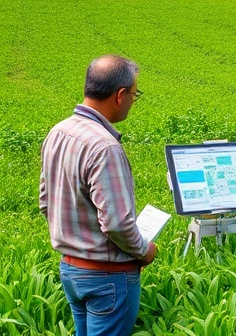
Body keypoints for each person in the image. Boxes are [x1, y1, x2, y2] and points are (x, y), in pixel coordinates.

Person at [39, 54, 158, 335]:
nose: (132, 100)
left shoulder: (58, 132)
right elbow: (117, 222)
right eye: (134, 94)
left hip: (71, 270)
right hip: (108, 277)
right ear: (120, 96)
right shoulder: (105, 147)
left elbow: (46, 202)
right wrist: (144, 251)